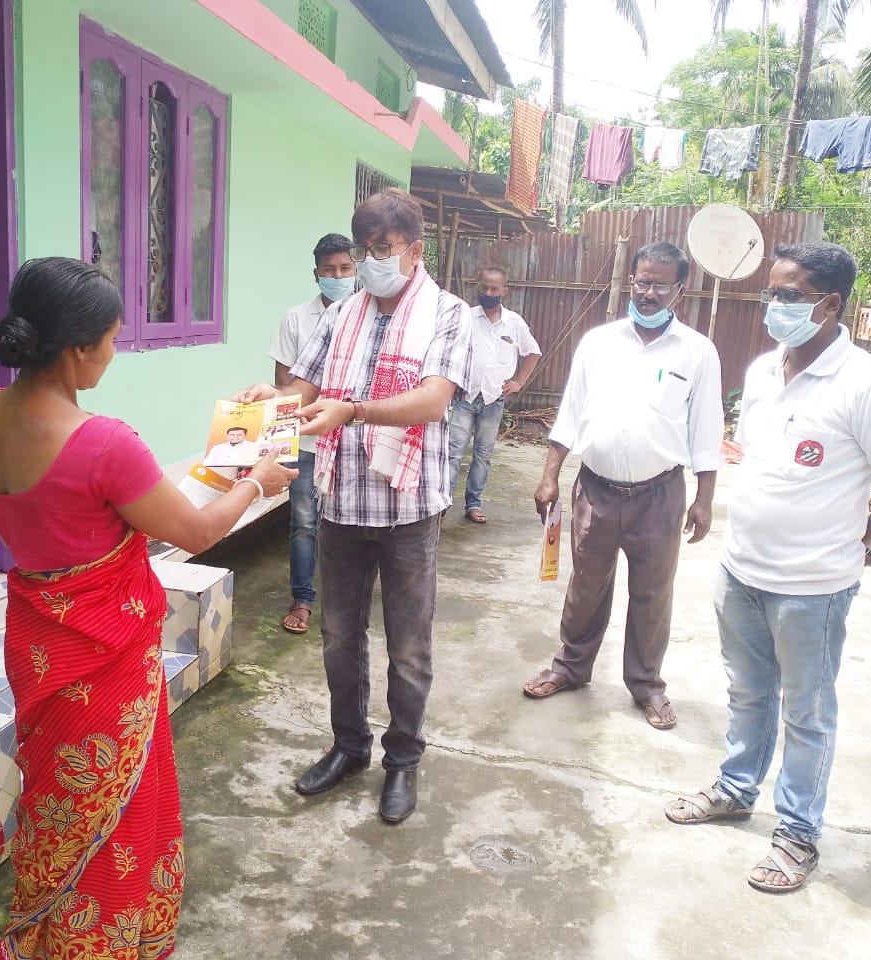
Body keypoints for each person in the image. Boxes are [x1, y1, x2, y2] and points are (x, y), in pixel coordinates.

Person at [0, 257, 295, 957]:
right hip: (105, 656)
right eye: (112, 341)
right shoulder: (103, 441)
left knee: (56, 804)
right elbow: (194, 531)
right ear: (76, 350)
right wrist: (258, 484)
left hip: (38, 643)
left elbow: (113, 505)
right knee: (116, 814)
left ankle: (42, 929)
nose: (113, 354)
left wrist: (222, 467)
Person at [665, 243, 871, 893]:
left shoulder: (869, 387)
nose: (775, 306)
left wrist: (862, 539)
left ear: (829, 304)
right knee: (747, 693)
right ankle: (734, 789)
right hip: (741, 569)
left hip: (812, 588)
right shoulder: (762, 371)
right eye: (771, 294)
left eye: (791, 295)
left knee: (806, 713)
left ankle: (798, 834)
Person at [236, 188, 473, 823]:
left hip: (408, 506)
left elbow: (432, 401)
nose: (370, 263)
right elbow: (305, 384)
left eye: (382, 250)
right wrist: (272, 397)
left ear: (415, 250)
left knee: (408, 646)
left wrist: (355, 411)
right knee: (339, 636)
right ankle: (349, 747)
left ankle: (402, 762)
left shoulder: (449, 315)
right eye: (364, 250)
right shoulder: (342, 315)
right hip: (340, 500)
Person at [522, 241, 723, 730]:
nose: (648, 292)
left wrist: (704, 498)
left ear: (680, 289)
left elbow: (706, 429)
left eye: (659, 284)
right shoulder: (598, 342)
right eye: (642, 281)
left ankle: (647, 686)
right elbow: (571, 412)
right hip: (596, 488)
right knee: (586, 585)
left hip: (660, 495)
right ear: (631, 280)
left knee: (653, 592)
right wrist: (550, 474)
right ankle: (570, 667)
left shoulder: (697, 352)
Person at [269, 233, 357, 634]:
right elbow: (285, 383)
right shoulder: (296, 318)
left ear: (355, 270)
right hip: (305, 442)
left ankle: (348, 599)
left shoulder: (366, 318)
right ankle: (303, 598)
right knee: (304, 522)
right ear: (316, 275)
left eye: (345, 268)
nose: (337, 276)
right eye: (329, 270)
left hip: (351, 439)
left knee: (350, 521)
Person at [447, 267, 541, 524]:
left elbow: (533, 352)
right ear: (478, 287)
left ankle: (473, 504)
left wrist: (518, 382)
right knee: (454, 452)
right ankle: (442, 503)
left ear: (504, 291)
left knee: (483, 454)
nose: (488, 293)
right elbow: (449, 349)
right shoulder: (465, 317)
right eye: (484, 288)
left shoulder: (514, 323)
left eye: (494, 289)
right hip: (464, 396)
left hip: (493, 400)